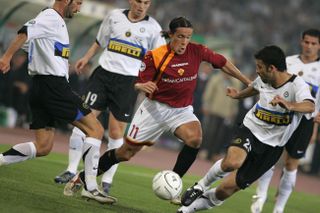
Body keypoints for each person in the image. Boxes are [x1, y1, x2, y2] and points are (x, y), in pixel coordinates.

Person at [63, 16, 251, 203]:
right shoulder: (155, 55)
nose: (185, 42)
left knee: (195, 139)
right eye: (180, 36)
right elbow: (137, 82)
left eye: (188, 37)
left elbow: (223, 62)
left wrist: (247, 82)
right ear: (171, 35)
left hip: (181, 110)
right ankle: (82, 177)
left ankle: (174, 184)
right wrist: (142, 86)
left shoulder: (197, 51)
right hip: (154, 110)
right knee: (125, 153)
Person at [0, 0, 114, 204]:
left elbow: (32, 42)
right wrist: (6, 57)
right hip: (54, 88)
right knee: (95, 130)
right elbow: (23, 33)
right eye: (77, 3)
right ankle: (90, 187)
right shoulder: (50, 17)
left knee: (43, 146)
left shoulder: (54, 21)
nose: (79, 8)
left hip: (40, 88)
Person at [178, 45, 315, 213]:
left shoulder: (297, 85)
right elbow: (255, 87)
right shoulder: (265, 79)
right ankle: (200, 186)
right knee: (232, 162)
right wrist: (238, 95)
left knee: (225, 190)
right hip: (250, 129)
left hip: (272, 147)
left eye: (259, 67)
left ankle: (186, 210)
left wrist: (289, 104)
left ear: (272, 68)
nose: (256, 71)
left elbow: (309, 106)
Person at [55, 0, 166, 200]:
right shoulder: (114, 16)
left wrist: (148, 83)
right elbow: (100, 41)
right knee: (82, 121)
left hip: (128, 83)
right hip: (103, 75)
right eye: (139, 1)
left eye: (146, 3)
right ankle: (71, 170)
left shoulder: (154, 29)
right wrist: (87, 58)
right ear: (132, 1)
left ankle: (106, 181)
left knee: (116, 132)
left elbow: (160, 61)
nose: (142, 6)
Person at [251, 29, 320, 213]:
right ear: (301, 41)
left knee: (291, 163)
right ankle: (261, 195)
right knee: (270, 157)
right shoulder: (287, 62)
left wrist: (315, 125)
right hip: (282, 115)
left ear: (319, 45)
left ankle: (279, 208)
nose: (309, 46)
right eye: (306, 42)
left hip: (305, 120)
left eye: (313, 43)